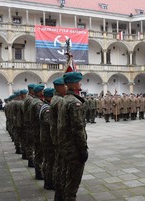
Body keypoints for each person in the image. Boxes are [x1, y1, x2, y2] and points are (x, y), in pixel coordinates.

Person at [57, 72, 88, 200]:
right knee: (72, 184)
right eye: (79, 81)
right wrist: (83, 149)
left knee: (64, 178)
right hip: (73, 149)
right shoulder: (75, 103)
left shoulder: (64, 100)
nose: (80, 83)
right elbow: (77, 129)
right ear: (74, 84)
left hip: (64, 146)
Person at [49, 77, 67, 201]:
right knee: (61, 167)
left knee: (58, 165)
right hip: (61, 139)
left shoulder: (54, 99)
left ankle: (58, 192)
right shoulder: (59, 101)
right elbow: (62, 123)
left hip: (55, 137)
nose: (66, 87)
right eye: (65, 85)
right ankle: (60, 194)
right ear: (59, 87)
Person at [39, 88, 55, 190]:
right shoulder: (47, 108)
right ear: (50, 97)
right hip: (48, 139)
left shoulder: (45, 106)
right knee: (50, 161)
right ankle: (49, 183)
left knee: (48, 160)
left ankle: (48, 181)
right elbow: (50, 123)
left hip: (46, 137)